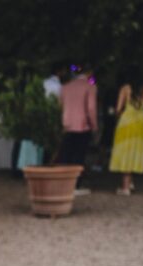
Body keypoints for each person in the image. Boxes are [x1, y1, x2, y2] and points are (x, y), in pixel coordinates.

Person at [109, 74, 143, 195]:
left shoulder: (125, 89)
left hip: (127, 122)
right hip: (141, 124)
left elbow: (118, 108)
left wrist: (121, 115)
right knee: (136, 151)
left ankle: (125, 188)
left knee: (125, 152)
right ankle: (130, 182)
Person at [58, 65, 98, 193]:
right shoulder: (90, 87)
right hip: (82, 125)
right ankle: (75, 185)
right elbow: (91, 108)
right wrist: (94, 125)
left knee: (66, 155)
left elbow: (60, 105)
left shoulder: (65, 87)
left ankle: (63, 183)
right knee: (79, 156)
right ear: (90, 73)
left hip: (67, 124)